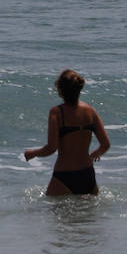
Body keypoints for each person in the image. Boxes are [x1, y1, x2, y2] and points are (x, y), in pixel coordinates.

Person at [23, 68, 110, 196]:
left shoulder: (57, 113)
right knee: (87, 215)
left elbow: (52, 148)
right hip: (87, 174)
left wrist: (33, 153)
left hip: (64, 175)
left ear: (60, 91)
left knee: (50, 213)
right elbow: (105, 144)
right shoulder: (90, 111)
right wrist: (94, 154)